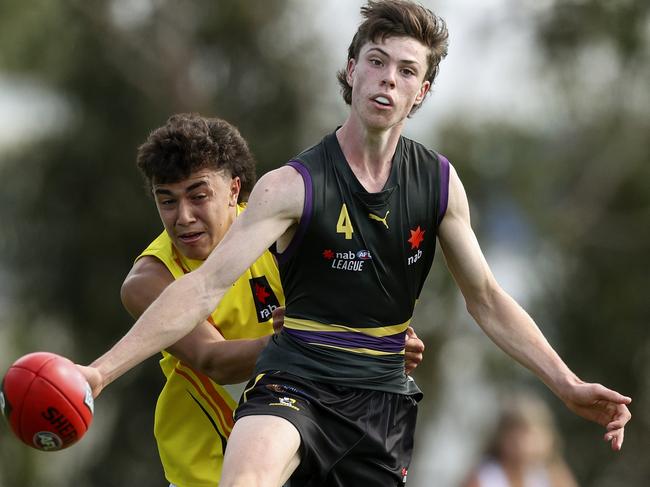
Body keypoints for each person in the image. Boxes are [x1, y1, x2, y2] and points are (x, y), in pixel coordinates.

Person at [79, 1, 632, 486]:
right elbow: (203, 288)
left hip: (380, 401)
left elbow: (485, 298)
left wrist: (566, 383)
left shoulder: (438, 184)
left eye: (406, 70)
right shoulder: (291, 186)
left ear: (422, 92)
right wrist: (98, 373)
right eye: (376, 61)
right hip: (293, 380)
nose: (387, 78)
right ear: (352, 70)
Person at [111, 112, 426, 487]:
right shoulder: (150, 279)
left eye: (198, 196)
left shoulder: (282, 232)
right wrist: (308, 338)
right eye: (167, 202)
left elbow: (357, 306)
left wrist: (384, 344)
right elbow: (214, 360)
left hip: (302, 458)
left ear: (234, 189)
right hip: (207, 470)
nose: (183, 217)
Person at [462, 393, 579, 487]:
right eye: (517, 436)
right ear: (501, 438)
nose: (525, 445)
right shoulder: (485, 477)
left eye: (532, 435)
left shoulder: (553, 474)